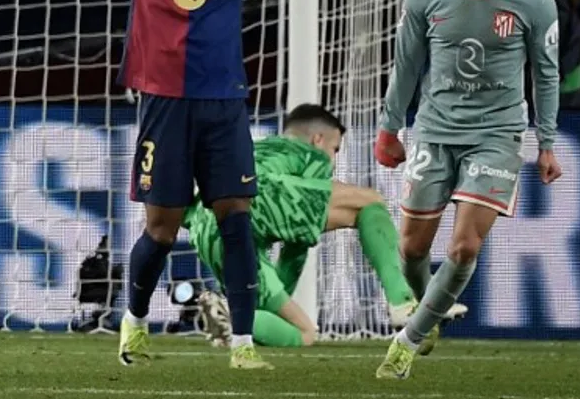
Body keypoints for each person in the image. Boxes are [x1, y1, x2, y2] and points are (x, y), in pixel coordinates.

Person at [72, 0, 295, 369]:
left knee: (235, 217)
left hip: (224, 100)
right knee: (162, 229)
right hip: (164, 102)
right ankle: (133, 321)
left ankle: (242, 344)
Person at [374, 0, 561, 380]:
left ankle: (407, 342)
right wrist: (389, 128)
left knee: (463, 248)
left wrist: (546, 141)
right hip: (434, 131)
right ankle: (426, 310)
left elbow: (546, 73)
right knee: (412, 248)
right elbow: (408, 65)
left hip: (496, 135)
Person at [184, 104, 429, 348]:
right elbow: (298, 240)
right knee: (370, 202)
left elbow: (297, 241)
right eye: (335, 150)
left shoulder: (258, 149)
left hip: (204, 225)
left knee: (304, 333)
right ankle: (401, 300)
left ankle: (227, 314)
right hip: (255, 196)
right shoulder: (309, 154)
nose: (332, 161)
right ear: (317, 139)